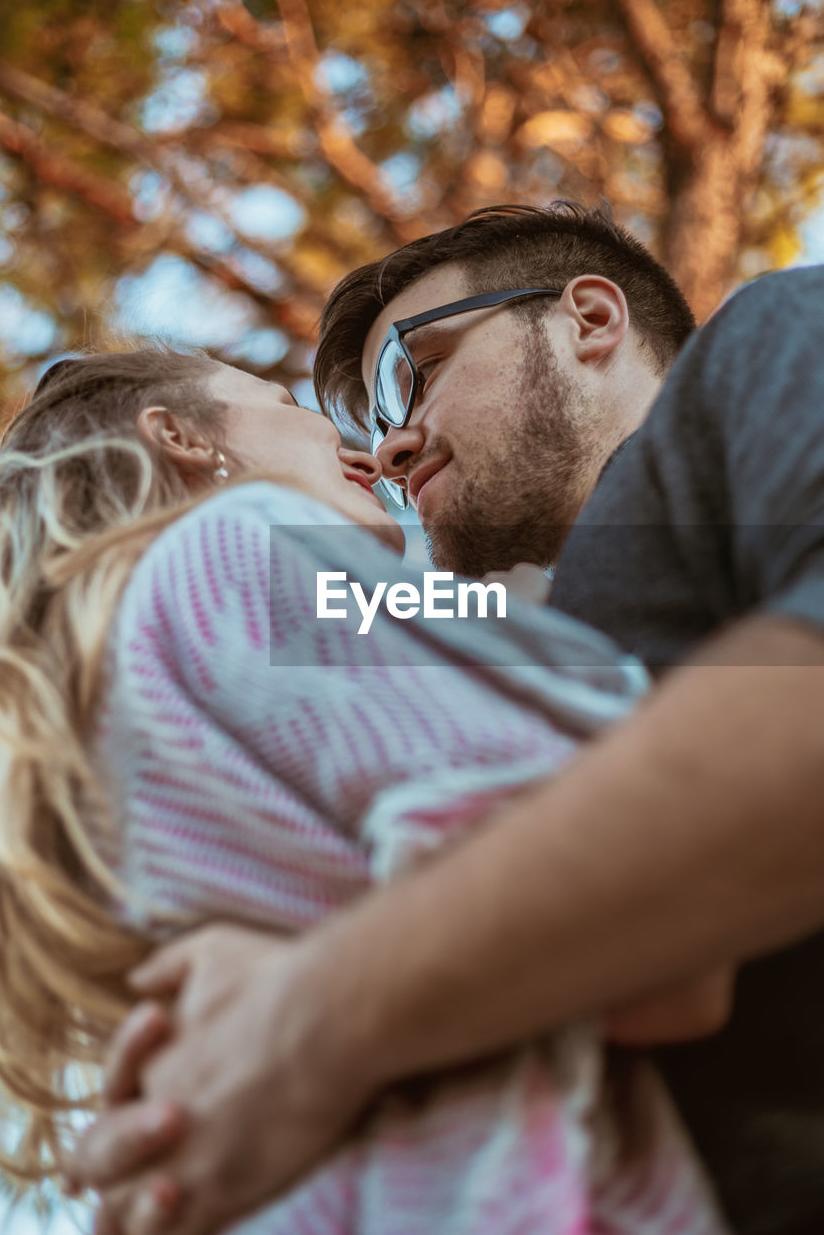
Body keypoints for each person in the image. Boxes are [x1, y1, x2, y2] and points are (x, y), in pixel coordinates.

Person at [67, 203, 824, 1235]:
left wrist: (303, 1021)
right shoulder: (446, 649)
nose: (390, 447)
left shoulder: (770, 343)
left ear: (588, 320)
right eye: (371, 424)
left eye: (410, 374)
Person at [0, 346, 733, 1234]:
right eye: (286, 400)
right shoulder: (233, 551)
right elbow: (656, 937)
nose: (367, 451)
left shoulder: (83, 764)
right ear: (177, 435)